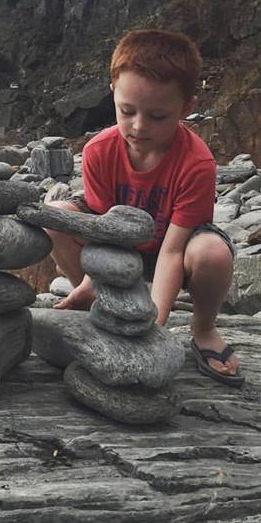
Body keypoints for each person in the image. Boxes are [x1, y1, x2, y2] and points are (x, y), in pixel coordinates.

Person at [46, 28, 243, 386]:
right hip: (114, 249)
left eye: (157, 116)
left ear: (186, 108)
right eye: (127, 111)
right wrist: (93, 279)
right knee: (57, 215)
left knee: (213, 252)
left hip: (173, 248)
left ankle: (203, 328)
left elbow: (172, 251)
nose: (138, 126)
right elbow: (104, 233)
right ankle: (99, 306)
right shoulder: (98, 152)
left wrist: (153, 326)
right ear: (113, 94)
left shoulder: (196, 163)